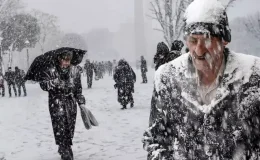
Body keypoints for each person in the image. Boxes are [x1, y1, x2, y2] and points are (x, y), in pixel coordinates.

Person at [143, 0, 260, 159]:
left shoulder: (253, 75)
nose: (199, 50)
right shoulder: (167, 77)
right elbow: (156, 141)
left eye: (206, 40)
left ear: (224, 40)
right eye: (193, 40)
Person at [39, 50, 86, 160]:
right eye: (64, 60)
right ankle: (65, 149)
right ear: (59, 59)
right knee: (60, 127)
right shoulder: (51, 70)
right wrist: (53, 82)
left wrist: (81, 102)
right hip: (56, 103)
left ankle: (64, 146)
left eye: (68, 61)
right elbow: (43, 85)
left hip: (71, 103)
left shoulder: (75, 71)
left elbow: (78, 90)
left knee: (70, 128)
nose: (66, 63)